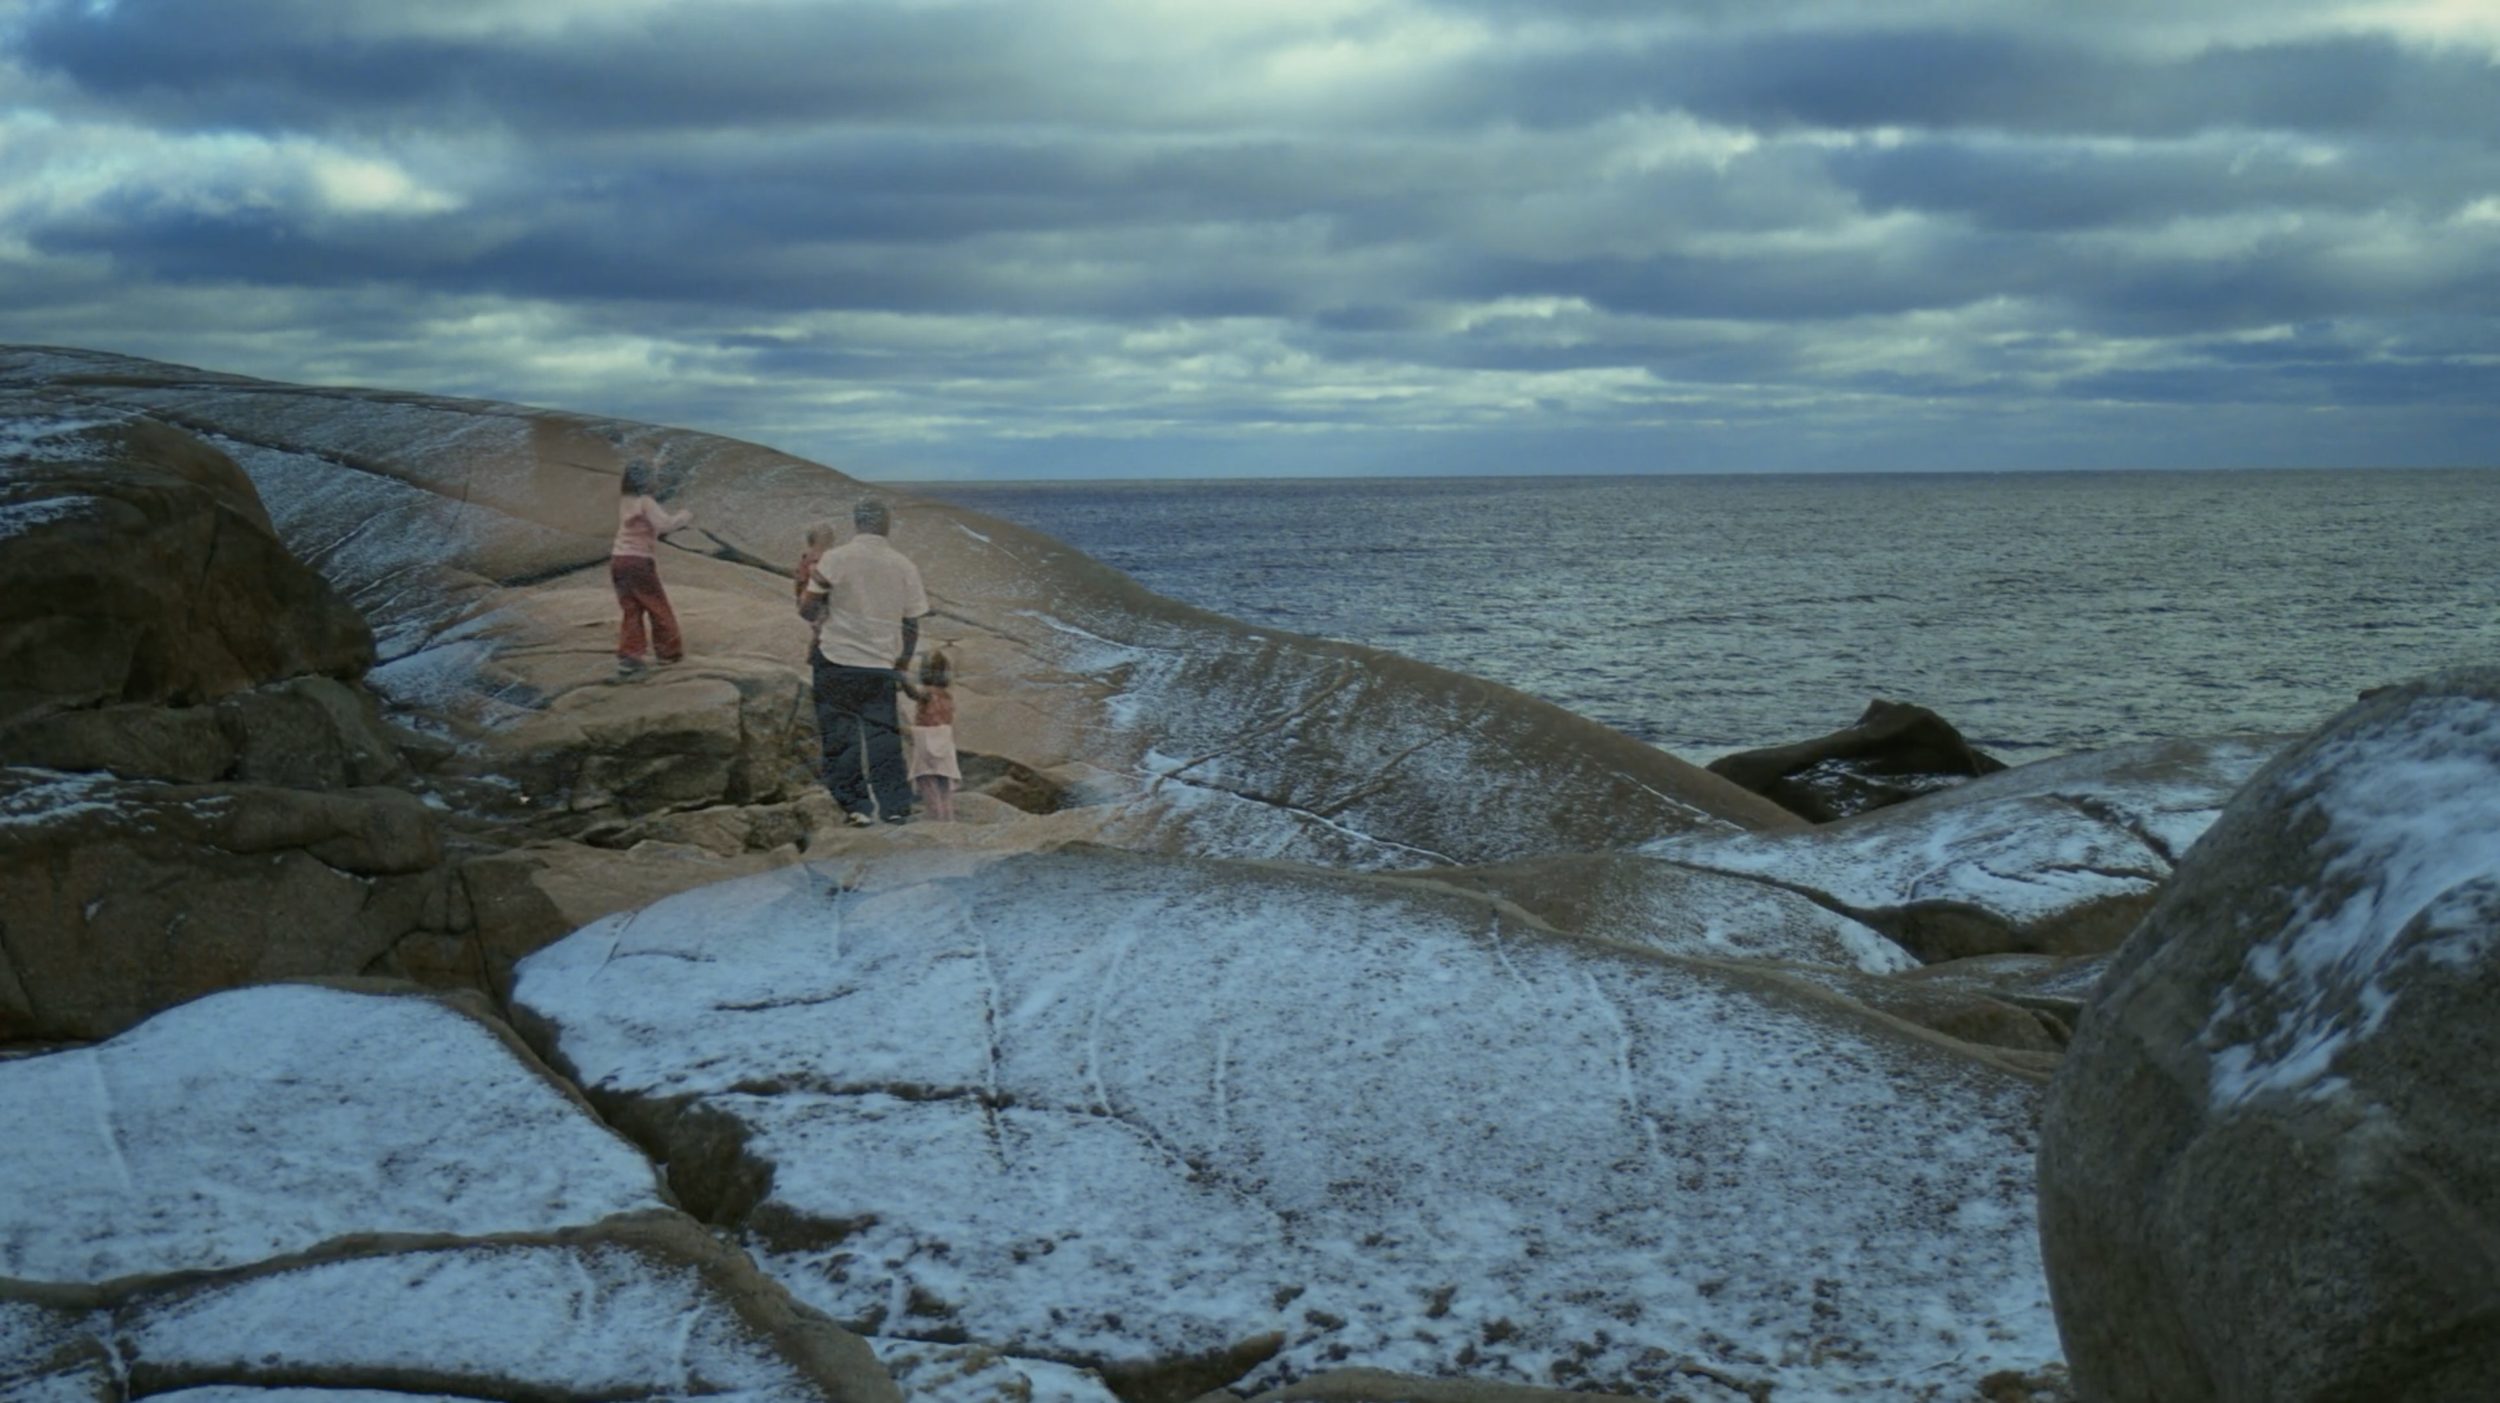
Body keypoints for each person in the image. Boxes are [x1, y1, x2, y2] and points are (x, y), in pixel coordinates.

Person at [803, 498, 929, 826]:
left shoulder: (835, 558)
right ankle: (895, 806)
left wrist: (820, 597)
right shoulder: (903, 565)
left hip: (836, 658)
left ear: (856, 522)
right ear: (886, 525)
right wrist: (901, 663)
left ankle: (855, 807)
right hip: (880, 663)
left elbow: (807, 609)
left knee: (840, 734)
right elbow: (912, 623)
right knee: (883, 736)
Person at [611, 461, 692, 674]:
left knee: (632, 609)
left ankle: (630, 656)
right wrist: (684, 517)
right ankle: (668, 654)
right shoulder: (646, 502)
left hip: (618, 559)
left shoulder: (625, 500)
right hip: (638, 560)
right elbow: (664, 525)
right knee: (658, 606)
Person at [901, 650, 960, 822]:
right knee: (944, 782)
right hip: (944, 736)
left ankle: (935, 817)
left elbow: (911, 692)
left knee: (927, 779)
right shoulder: (947, 695)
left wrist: (900, 676)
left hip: (926, 736)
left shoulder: (926, 693)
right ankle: (948, 817)